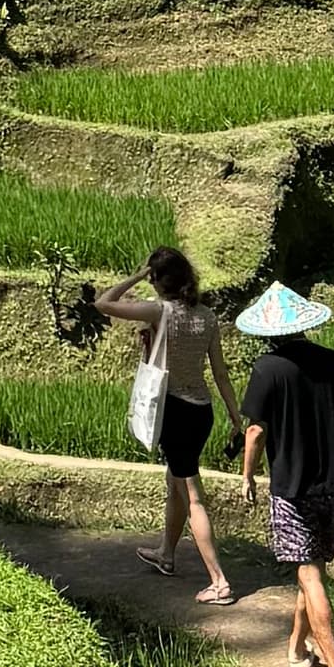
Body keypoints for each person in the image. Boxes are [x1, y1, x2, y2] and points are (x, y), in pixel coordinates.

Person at [234, 284, 334, 667]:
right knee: (312, 571)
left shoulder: (268, 369)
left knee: (309, 574)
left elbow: (255, 431)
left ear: (268, 332)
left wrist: (247, 476)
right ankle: (296, 648)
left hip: (292, 490)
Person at [111, 242, 226, 600]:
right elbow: (220, 373)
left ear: (159, 280)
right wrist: (236, 417)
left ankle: (219, 581)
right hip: (202, 409)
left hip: (174, 411)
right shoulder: (206, 316)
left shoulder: (161, 312)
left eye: (153, 277)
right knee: (175, 481)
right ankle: (167, 553)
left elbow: (104, 302)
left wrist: (136, 275)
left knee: (193, 496)